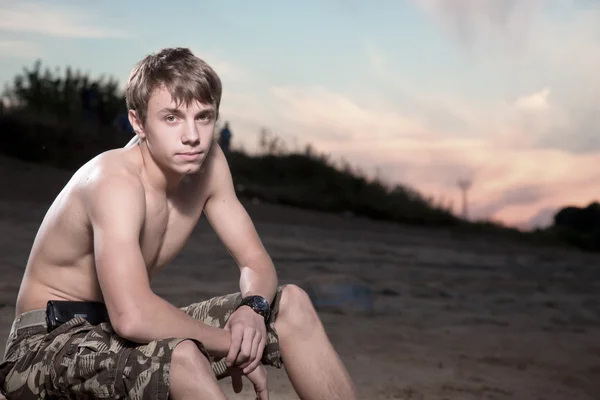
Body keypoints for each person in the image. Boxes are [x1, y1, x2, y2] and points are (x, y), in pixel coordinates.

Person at [0, 47, 357, 400]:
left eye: (203, 117)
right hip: (44, 349)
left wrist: (254, 310)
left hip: (117, 335)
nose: (192, 136)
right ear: (138, 122)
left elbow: (254, 261)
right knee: (182, 357)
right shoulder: (114, 179)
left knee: (290, 305)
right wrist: (231, 345)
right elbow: (133, 316)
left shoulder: (210, 164)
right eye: (172, 118)